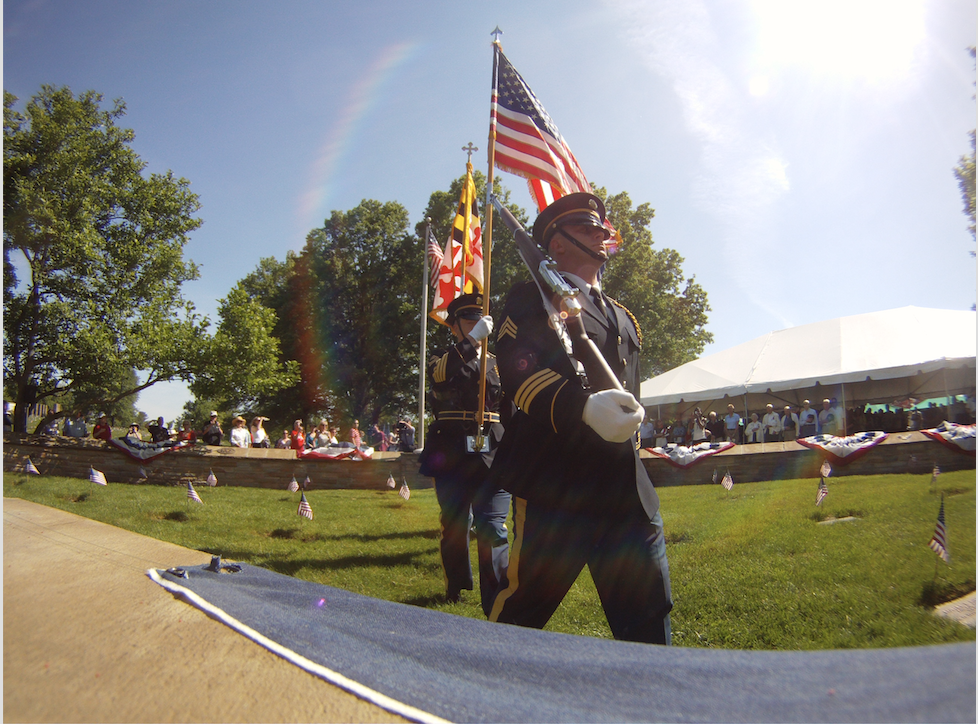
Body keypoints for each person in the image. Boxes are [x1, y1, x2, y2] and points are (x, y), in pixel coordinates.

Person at [487, 193, 672, 644]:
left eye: (601, 228)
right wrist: (581, 407)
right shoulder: (531, 298)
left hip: (626, 490)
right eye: (588, 228)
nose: (602, 234)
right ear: (559, 245)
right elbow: (518, 368)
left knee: (649, 616)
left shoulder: (623, 317)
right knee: (522, 612)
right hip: (559, 488)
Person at [418, 293, 510, 612]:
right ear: (454, 326)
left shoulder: (500, 363)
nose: (476, 324)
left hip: (493, 451)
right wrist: (472, 341)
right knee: (455, 524)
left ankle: (496, 597)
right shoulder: (441, 358)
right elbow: (441, 376)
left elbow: (510, 408)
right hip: (452, 451)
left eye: (480, 319)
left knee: (494, 525)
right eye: (468, 320)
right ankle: (456, 586)